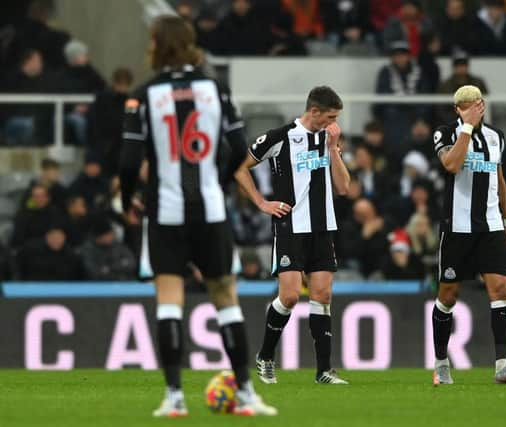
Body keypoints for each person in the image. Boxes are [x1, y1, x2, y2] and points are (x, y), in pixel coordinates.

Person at [118, 15, 277, 417]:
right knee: (226, 299)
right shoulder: (215, 89)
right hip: (209, 210)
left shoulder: (143, 94)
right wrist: (218, 185)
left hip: (165, 212)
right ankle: (245, 394)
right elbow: (240, 148)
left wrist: (129, 199)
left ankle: (173, 397)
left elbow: (127, 160)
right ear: (189, 44)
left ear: (156, 43)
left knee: (169, 302)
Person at [234, 86, 350, 385]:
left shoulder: (330, 138)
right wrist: (261, 202)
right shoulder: (279, 137)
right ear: (314, 111)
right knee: (288, 296)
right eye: (331, 116)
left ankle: (324, 370)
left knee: (322, 295)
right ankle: (266, 356)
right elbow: (239, 168)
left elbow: (344, 187)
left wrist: (334, 149)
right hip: (290, 225)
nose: (334, 122)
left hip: (323, 226)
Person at [431, 85, 506, 385]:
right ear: (456, 110)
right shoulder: (446, 134)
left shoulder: (496, 137)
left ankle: (503, 366)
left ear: (482, 105)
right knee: (449, 294)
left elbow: (499, 179)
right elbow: (452, 164)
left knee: (500, 289)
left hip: (491, 227)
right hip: (458, 228)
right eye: (464, 107)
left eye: (475, 105)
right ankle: (441, 363)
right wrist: (467, 129)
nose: (471, 109)